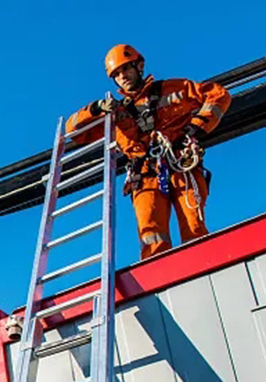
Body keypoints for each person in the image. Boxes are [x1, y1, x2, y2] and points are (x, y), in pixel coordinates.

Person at [66, 44, 231, 258]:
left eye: (126, 69)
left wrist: (197, 127)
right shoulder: (115, 113)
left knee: (194, 228)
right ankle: (162, 282)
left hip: (181, 164)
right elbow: (74, 131)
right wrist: (96, 109)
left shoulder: (173, 88)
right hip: (144, 175)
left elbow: (218, 95)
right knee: (151, 237)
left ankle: (201, 271)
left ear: (139, 66)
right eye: (116, 74)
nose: (122, 76)